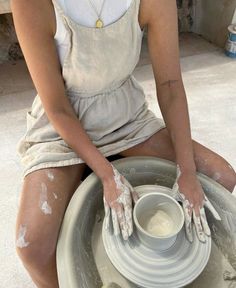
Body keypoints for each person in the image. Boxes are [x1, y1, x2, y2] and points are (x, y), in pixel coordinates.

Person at [11, 0, 236, 287]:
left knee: (221, 178)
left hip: (124, 114)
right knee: (32, 246)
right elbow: (57, 106)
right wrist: (106, 174)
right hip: (63, 123)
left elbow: (169, 85)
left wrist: (187, 170)